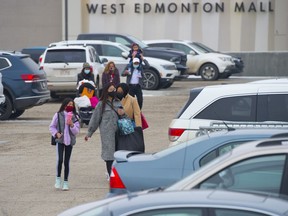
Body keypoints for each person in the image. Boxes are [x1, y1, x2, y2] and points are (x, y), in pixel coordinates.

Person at [84, 83, 125, 177]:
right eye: (111, 90)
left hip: (119, 132)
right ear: (107, 92)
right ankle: (111, 176)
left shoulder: (118, 102)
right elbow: (95, 119)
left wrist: (122, 113)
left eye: (114, 89)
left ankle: (117, 175)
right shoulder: (101, 104)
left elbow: (124, 117)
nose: (114, 91)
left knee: (119, 154)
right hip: (107, 134)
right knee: (109, 155)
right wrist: (89, 133)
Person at [49, 98, 80, 191]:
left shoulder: (75, 116)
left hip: (69, 142)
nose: (70, 106)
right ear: (64, 105)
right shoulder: (58, 115)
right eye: (68, 104)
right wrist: (56, 134)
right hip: (60, 141)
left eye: (72, 105)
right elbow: (52, 127)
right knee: (60, 160)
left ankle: (66, 182)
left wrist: (72, 125)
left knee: (67, 162)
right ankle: (58, 178)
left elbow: (76, 131)